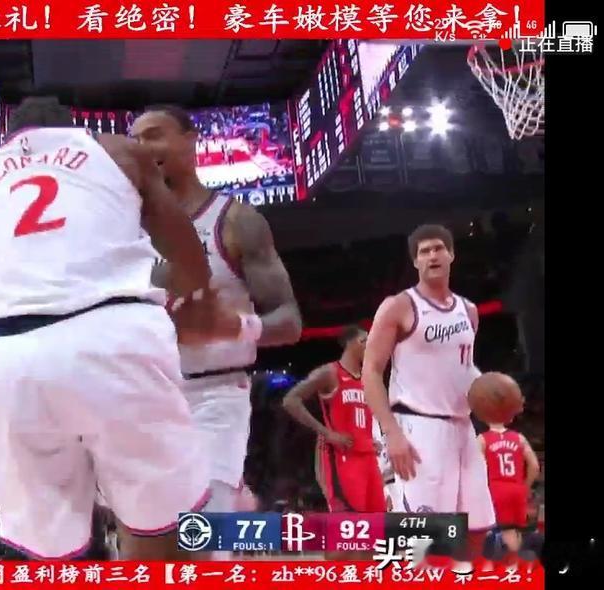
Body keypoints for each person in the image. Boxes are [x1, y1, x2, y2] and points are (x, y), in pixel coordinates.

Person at [0, 96, 243, 560]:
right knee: (165, 529)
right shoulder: (117, 150)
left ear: (9, 140)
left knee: (47, 552)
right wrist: (190, 291)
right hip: (112, 338)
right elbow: (188, 256)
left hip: (6, 358)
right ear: (72, 130)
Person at [131, 105, 302, 557]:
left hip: (215, 393)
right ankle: (238, 499)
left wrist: (235, 326)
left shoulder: (235, 221)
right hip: (144, 396)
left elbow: (290, 320)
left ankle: (229, 501)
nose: (143, 148)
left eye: (155, 135)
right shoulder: (124, 229)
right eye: (137, 141)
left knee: (203, 542)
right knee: (151, 549)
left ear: (191, 140)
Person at [362, 224, 496, 569]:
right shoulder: (399, 306)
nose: (432, 255)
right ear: (415, 261)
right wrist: (391, 432)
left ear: (452, 255)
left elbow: (464, 367)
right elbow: (371, 372)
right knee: (423, 539)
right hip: (418, 427)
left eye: (438, 248)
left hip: (462, 426)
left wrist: (490, 390)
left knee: (477, 528)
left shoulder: (469, 311)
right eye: (424, 251)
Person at [281, 326, 384, 515]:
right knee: (348, 522)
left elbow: (360, 419)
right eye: (364, 341)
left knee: (377, 521)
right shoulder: (329, 373)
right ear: (351, 344)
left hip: (368, 458)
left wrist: (369, 440)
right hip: (341, 457)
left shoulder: (367, 379)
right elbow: (290, 400)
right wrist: (327, 433)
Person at [478, 421, 540, 561]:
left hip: (496, 489)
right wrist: (525, 486)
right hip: (517, 488)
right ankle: (518, 565)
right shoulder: (520, 438)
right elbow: (535, 466)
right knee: (515, 531)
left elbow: (477, 469)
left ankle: (505, 566)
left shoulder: (482, 439)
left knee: (497, 531)